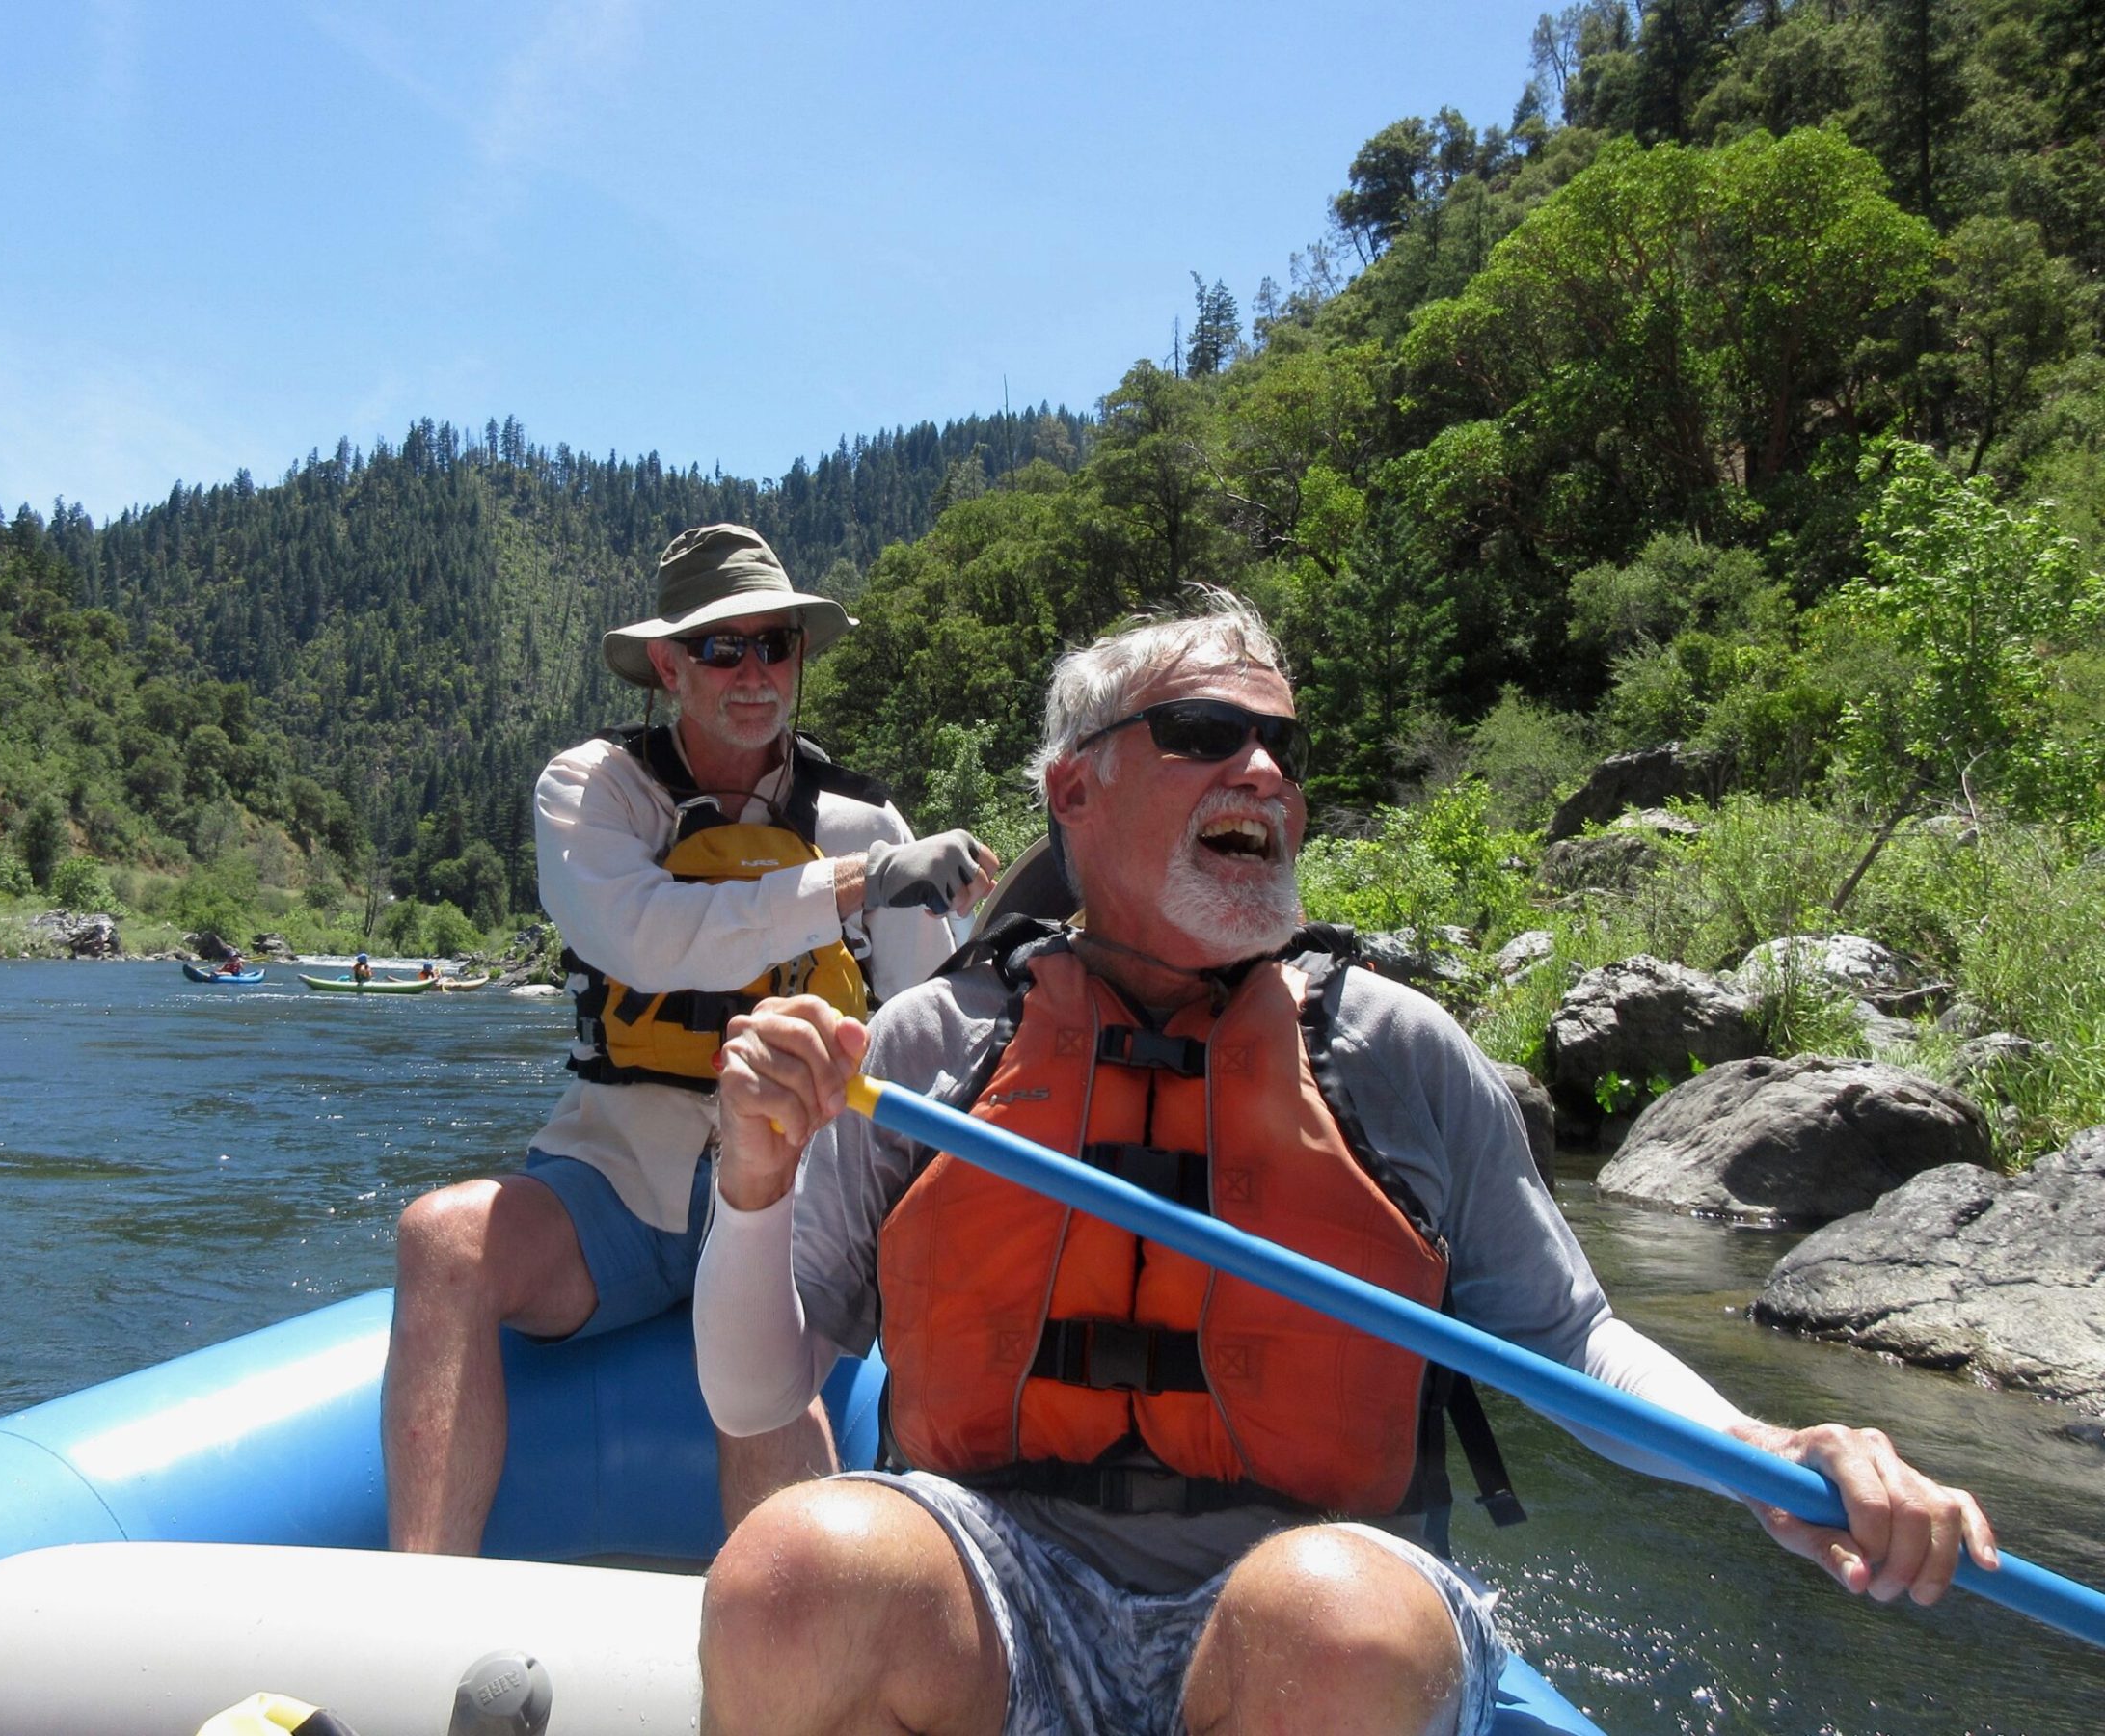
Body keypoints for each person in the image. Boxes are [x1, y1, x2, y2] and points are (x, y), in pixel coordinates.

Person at [693, 592, 1999, 1736]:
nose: (1262, 770)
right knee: (792, 1575)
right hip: (1002, 1583)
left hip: (1318, 1590)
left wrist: (1768, 1448)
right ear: (1073, 789)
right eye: (1205, 733)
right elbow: (760, 1396)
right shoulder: (933, 1047)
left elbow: (1575, 1341)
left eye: (1284, 746)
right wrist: (752, 1195)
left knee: (1327, 1624)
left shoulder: (1396, 1053)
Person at [383, 523, 998, 1556]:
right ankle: (419, 1613)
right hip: (615, 1178)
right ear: (669, 665)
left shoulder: (868, 823)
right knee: (440, 1240)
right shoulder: (593, 790)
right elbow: (644, 937)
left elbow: (933, 1026)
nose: (754, 672)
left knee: (766, 1353)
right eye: (723, 647)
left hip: (792, 1180)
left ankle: (801, 1665)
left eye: (777, 645)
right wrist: (850, 887)